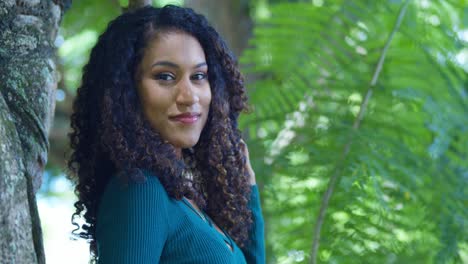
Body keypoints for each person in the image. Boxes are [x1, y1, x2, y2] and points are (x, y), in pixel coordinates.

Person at [67, 4, 265, 264]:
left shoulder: (185, 201)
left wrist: (248, 189)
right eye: (166, 76)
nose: (189, 96)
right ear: (126, 92)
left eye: (199, 76)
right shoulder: (141, 189)